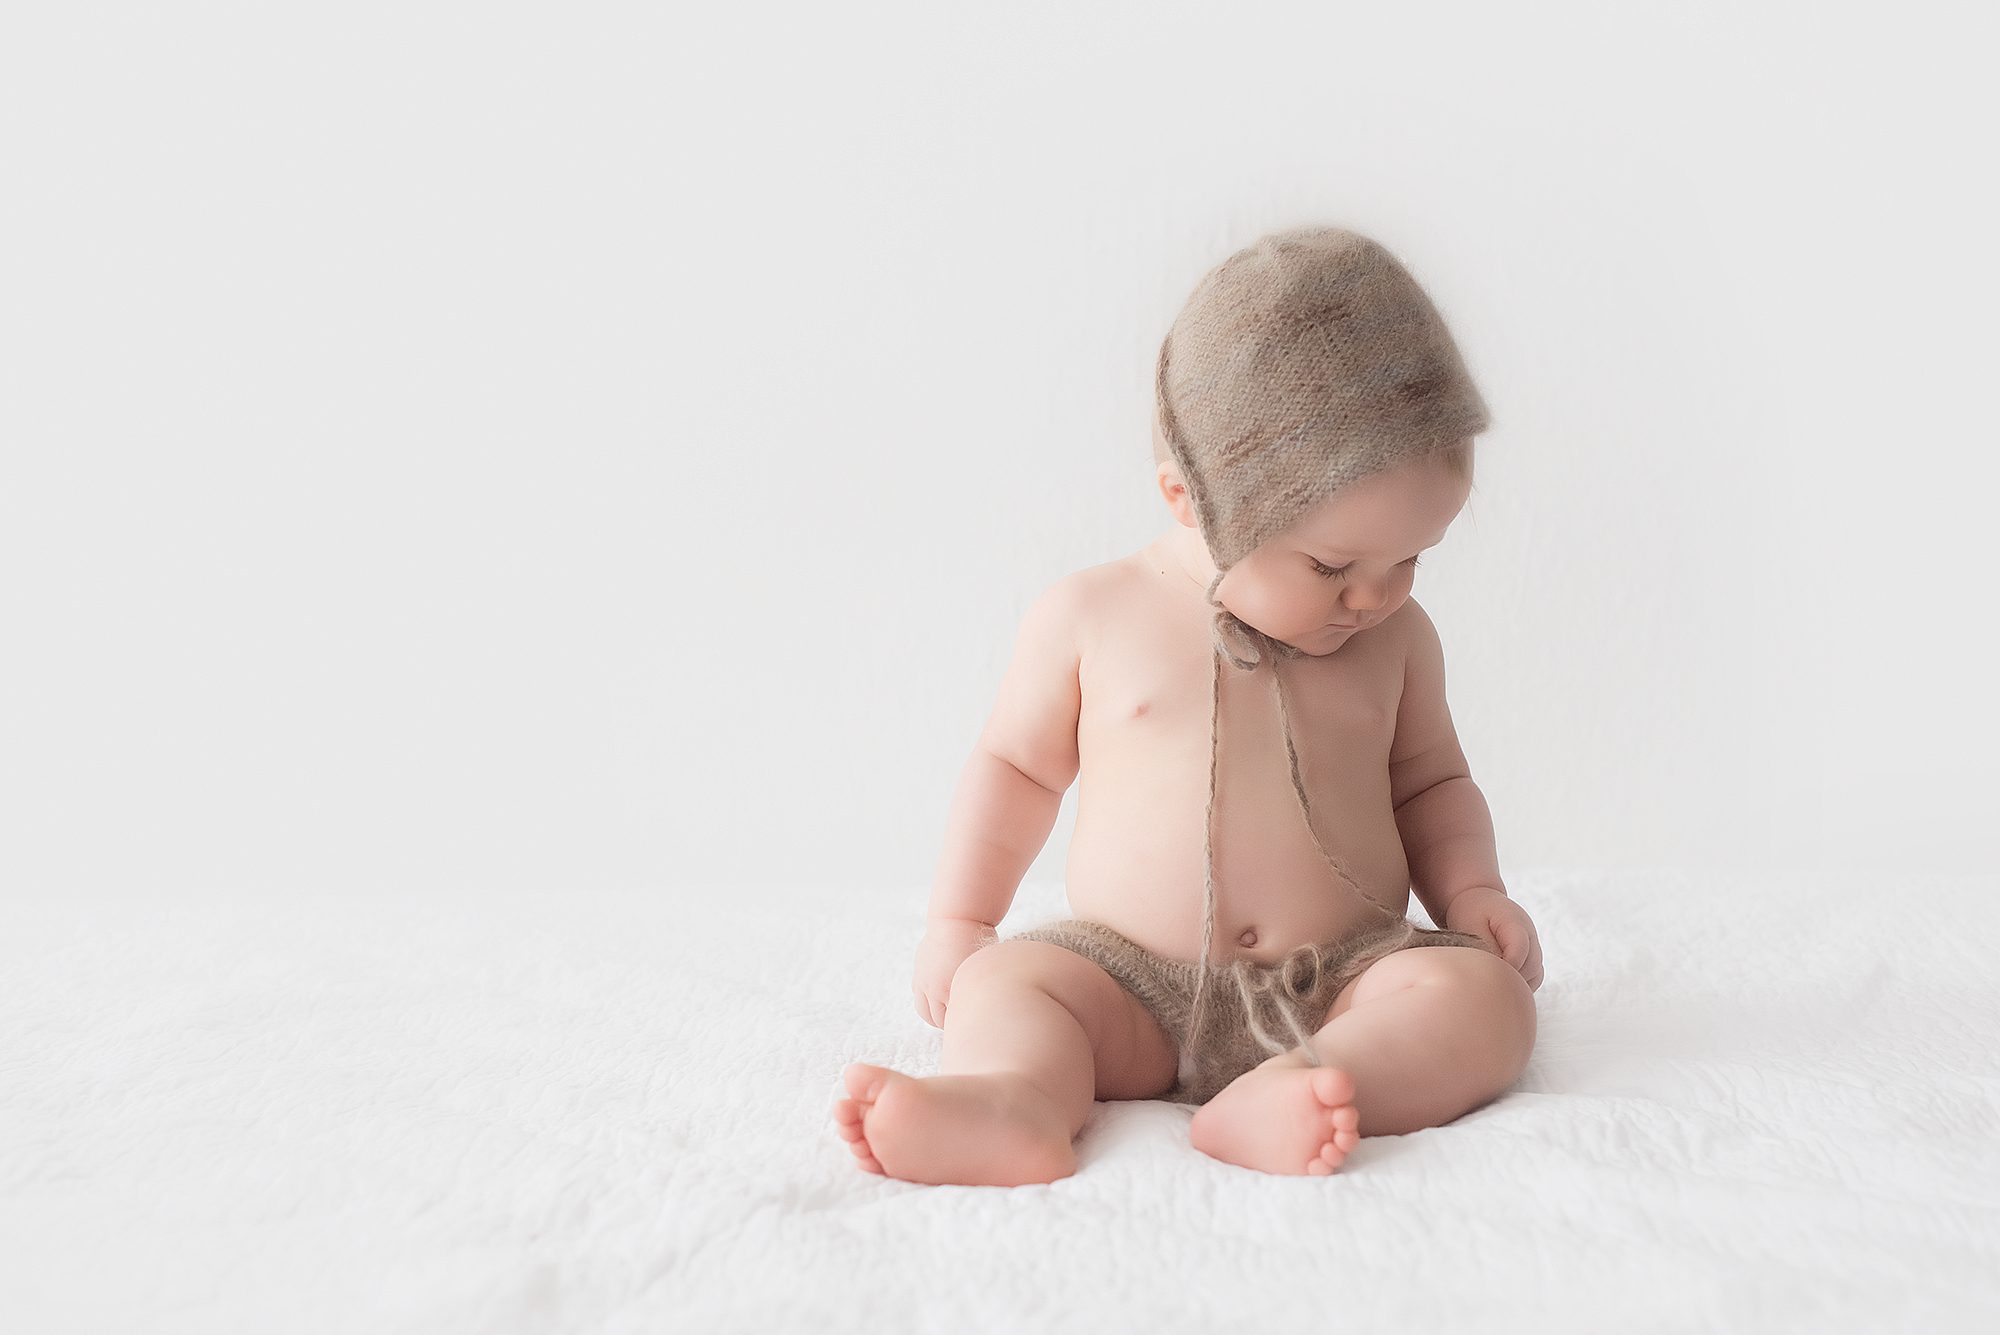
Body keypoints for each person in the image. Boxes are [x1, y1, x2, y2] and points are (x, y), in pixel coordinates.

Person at [832, 225, 1543, 1185]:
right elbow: (1015, 768)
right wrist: (961, 923)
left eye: (1410, 559)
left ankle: (1315, 1083)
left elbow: (1433, 783)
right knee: (1007, 987)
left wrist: (1473, 892)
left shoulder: (1399, 643)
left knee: (1484, 1001)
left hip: (1340, 977)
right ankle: (1015, 1102)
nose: (1373, 597)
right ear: (1189, 498)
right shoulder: (1091, 616)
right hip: (1126, 983)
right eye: (1332, 565)